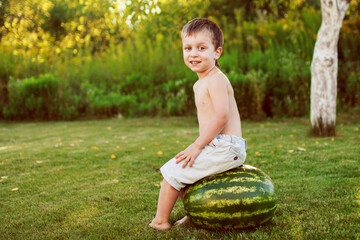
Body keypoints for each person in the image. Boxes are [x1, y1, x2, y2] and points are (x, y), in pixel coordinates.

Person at [149, 18, 247, 231]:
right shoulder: (199, 83)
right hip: (217, 145)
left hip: (226, 146)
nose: (193, 53)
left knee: (172, 172)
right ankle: (196, 212)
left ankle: (160, 222)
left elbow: (222, 116)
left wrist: (197, 146)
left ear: (216, 52)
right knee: (188, 176)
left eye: (201, 48)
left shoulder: (216, 79)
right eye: (188, 48)